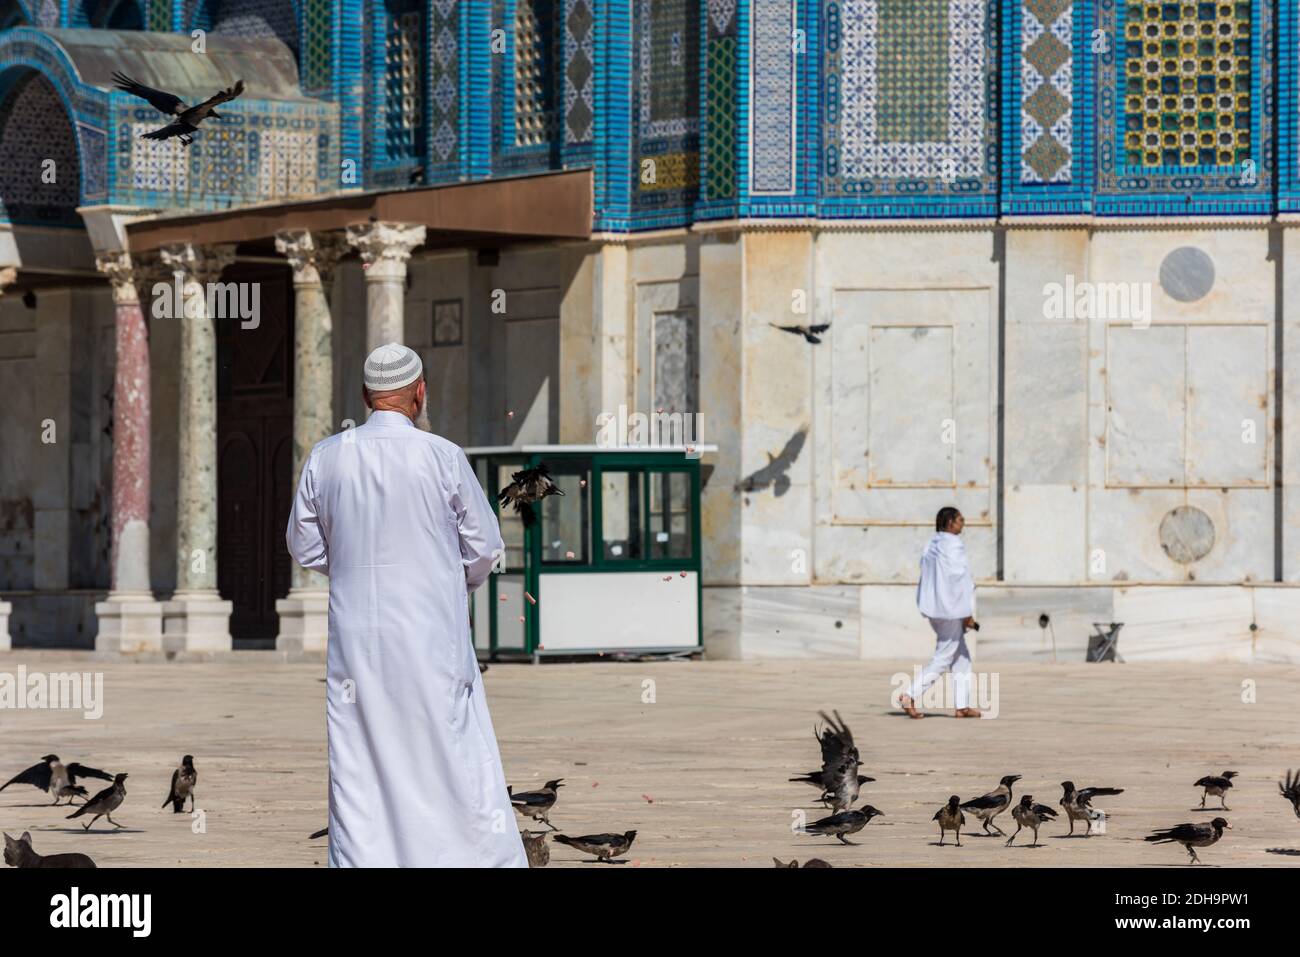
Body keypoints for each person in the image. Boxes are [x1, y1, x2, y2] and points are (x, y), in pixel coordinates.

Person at [286, 342, 526, 867]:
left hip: (358, 646)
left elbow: (304, 547)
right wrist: (446, 584)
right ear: (419, 393)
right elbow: (486, 548)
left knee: (361, 760)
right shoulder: (442, 456)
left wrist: (354, 570)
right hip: (431, 636)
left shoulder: (326, 457)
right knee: (447, 752)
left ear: (365, 396)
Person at [899, 506, 980, 719]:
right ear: (950, 522)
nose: (963, 523)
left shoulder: (932, 544)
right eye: (960, 519)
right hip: (950, 610)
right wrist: (966, 613)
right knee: (943, 658)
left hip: (935, 608)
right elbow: (959, 580)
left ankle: (962, 706)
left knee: (962, 657)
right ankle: (909, 695)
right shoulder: (953, 544)